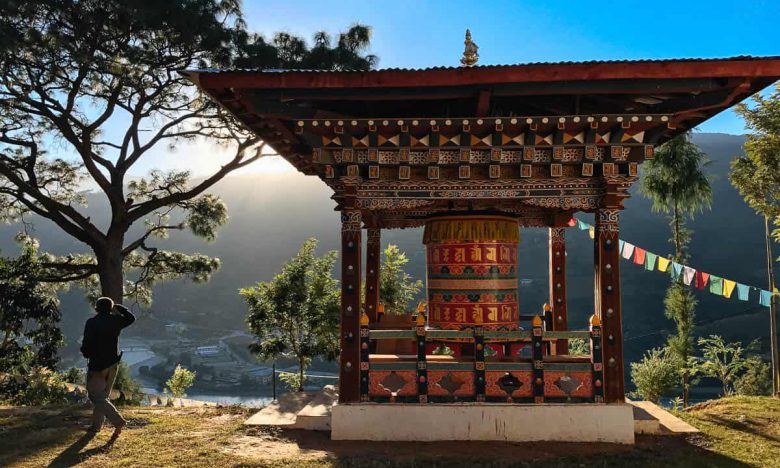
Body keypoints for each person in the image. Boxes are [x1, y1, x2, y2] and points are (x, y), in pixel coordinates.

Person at [80, 297, 136, 438]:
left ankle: (118, 421)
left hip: (98, 366)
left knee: (95, 396)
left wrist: (85, 352)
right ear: (110, 308)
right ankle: (96, 427)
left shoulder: (92, 323)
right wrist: (121, 308)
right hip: (112, 364)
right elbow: (131, 318)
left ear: (96, 308)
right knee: (103, 396)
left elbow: (87, 343)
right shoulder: (116, 321)